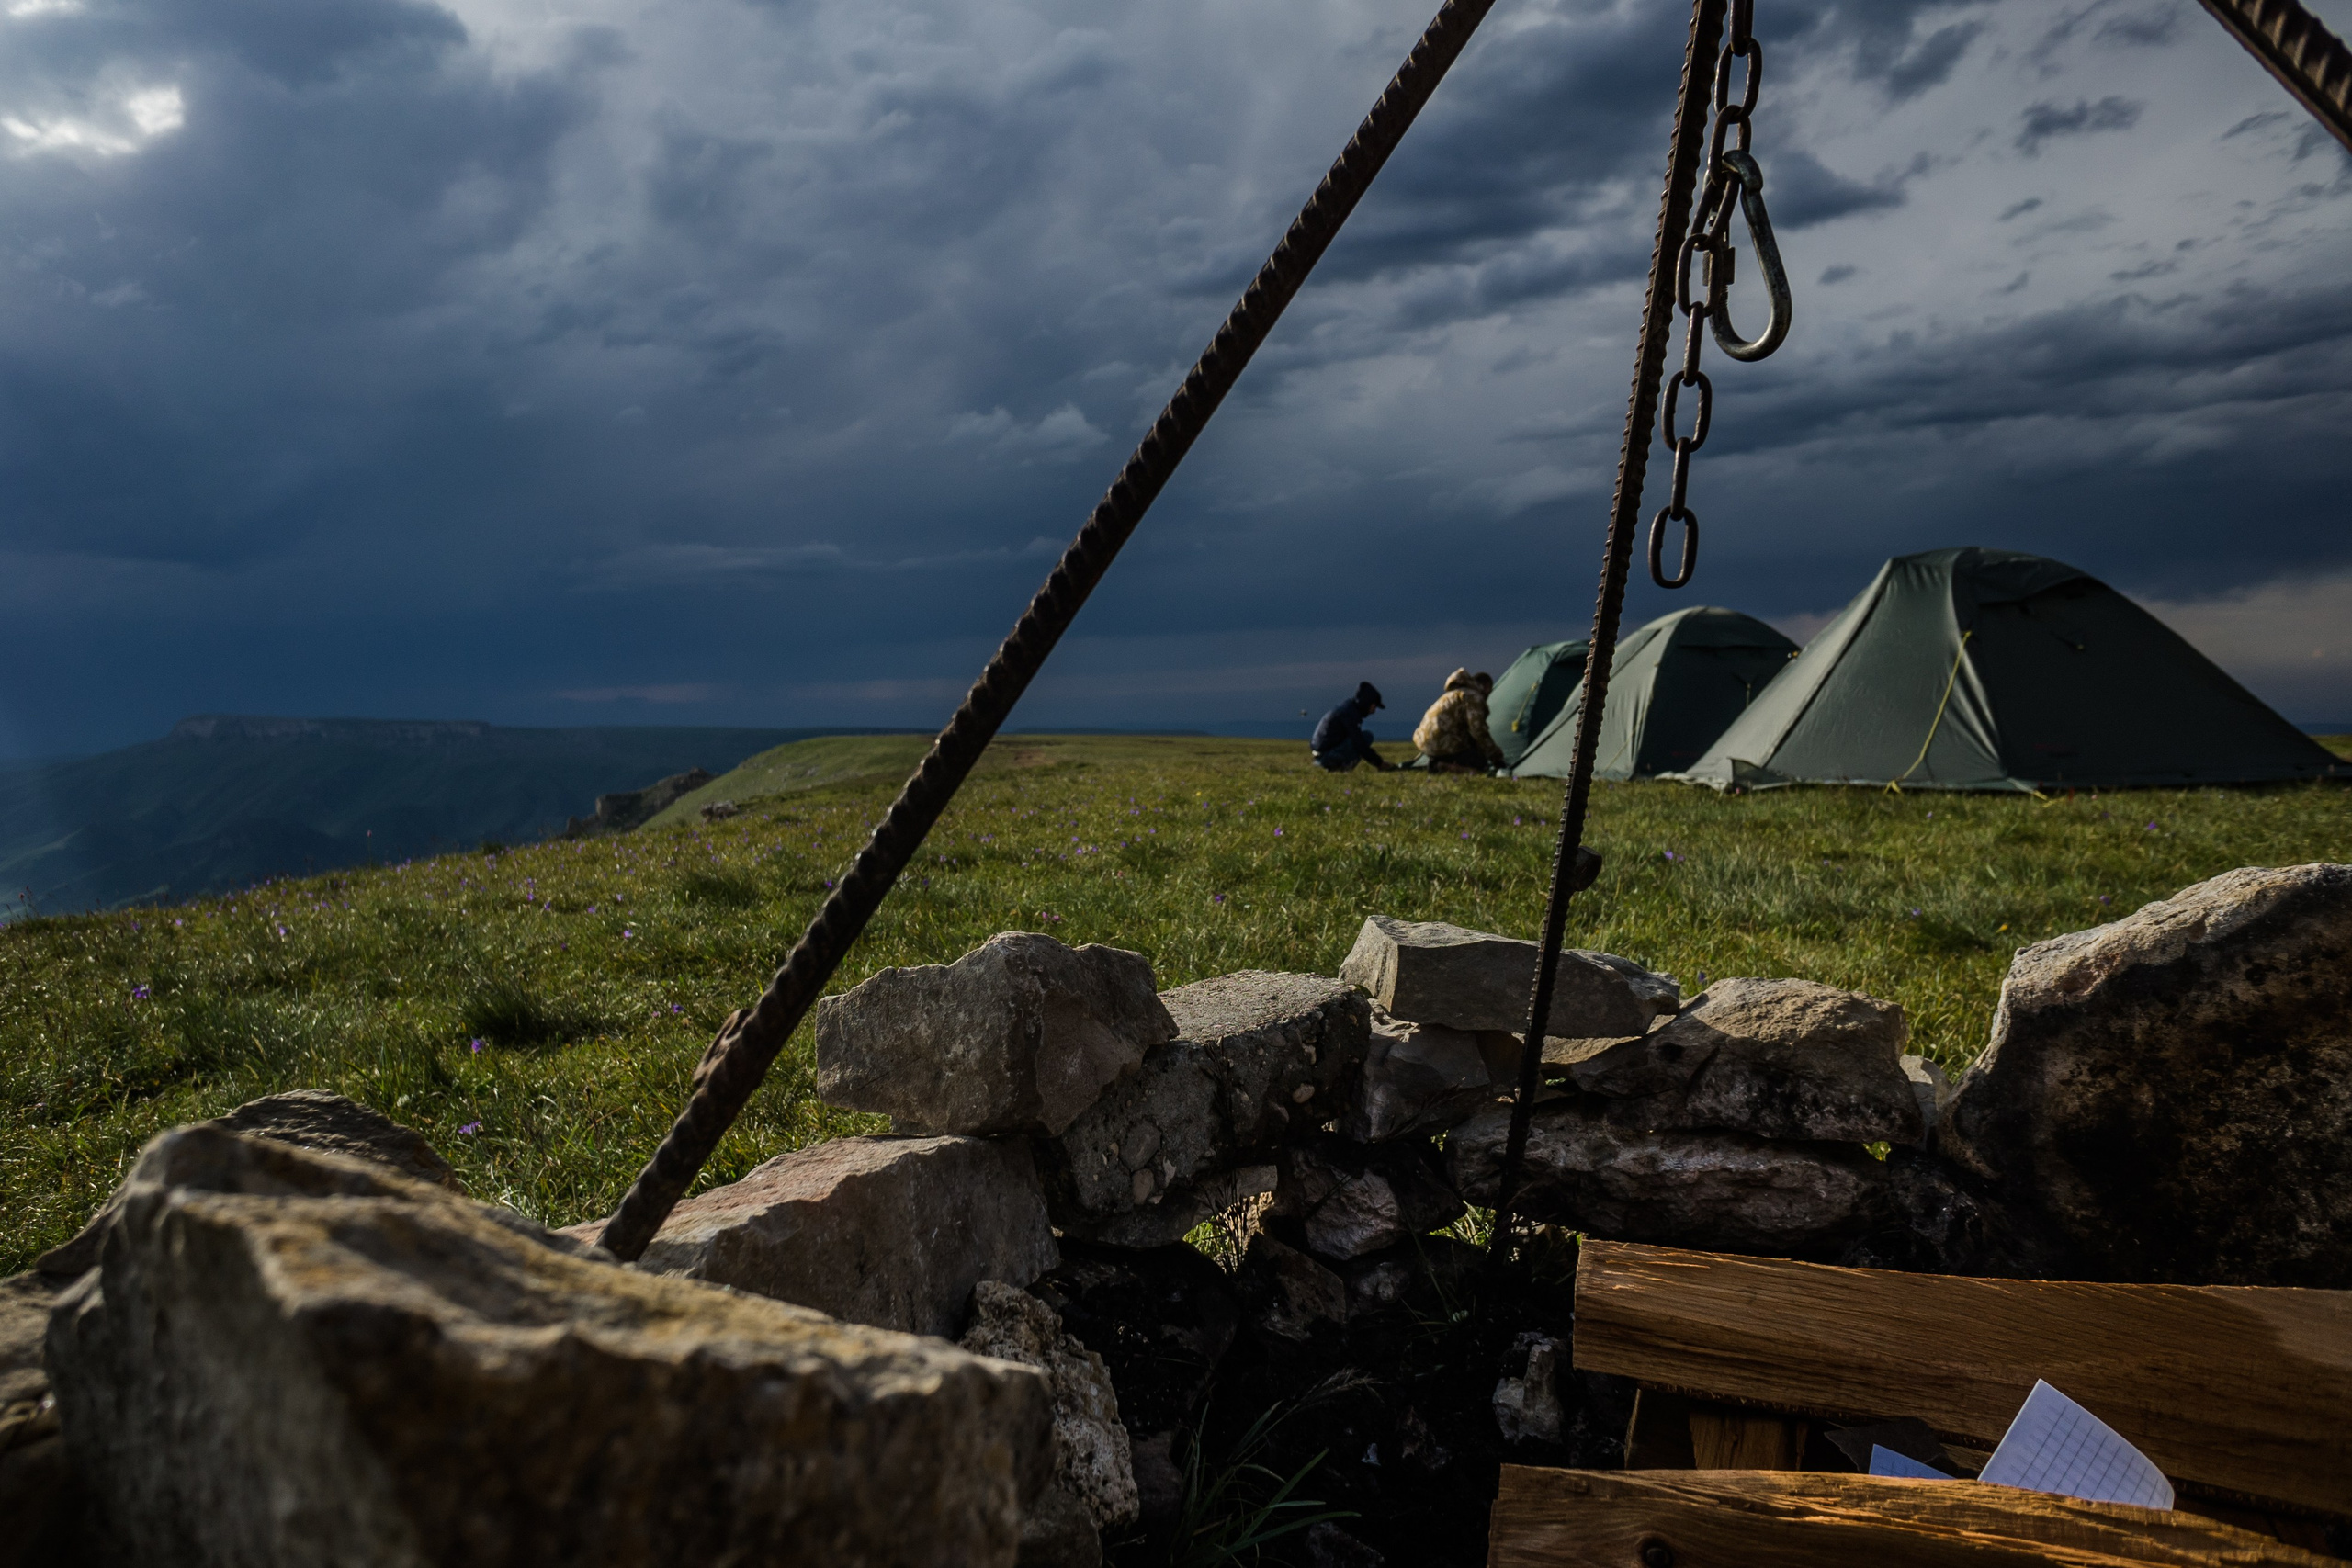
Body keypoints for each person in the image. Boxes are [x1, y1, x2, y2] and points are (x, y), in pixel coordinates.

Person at [1414, 669, 1505, 773]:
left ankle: (1439, 762)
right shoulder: (1473, 697)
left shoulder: (1453, 695)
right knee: (1481, 765)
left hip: (1425, 743)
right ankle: (1443, 766)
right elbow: (1478, 730)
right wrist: (1494, 754)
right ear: (1487, 687)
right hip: (1443, 743)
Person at [1310, 682, 1391, 772]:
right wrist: (1379, 763)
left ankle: (1339, 766)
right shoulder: (1349, 714)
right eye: (1374, 706)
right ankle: (1341, 767)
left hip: (1321, 754)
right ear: (1367, 703)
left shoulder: (1347, 710)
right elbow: (1359, 743)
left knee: (1362, 738)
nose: (1374, 711)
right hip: (1326, 756)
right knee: (1366, 737)